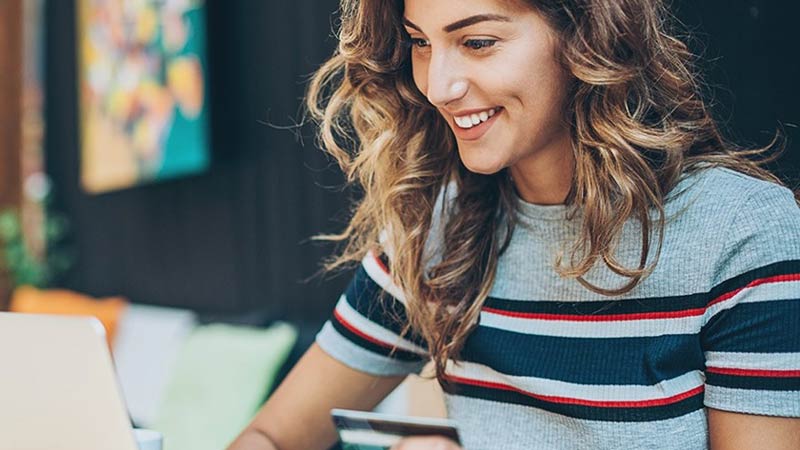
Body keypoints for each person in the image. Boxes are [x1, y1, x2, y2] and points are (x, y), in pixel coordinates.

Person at [228, 0, 800, 448]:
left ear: (587, 35)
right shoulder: (436, 231)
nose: (439, 86)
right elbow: (271, 436)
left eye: (477, 42)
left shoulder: (740, 231)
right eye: (420, 43)